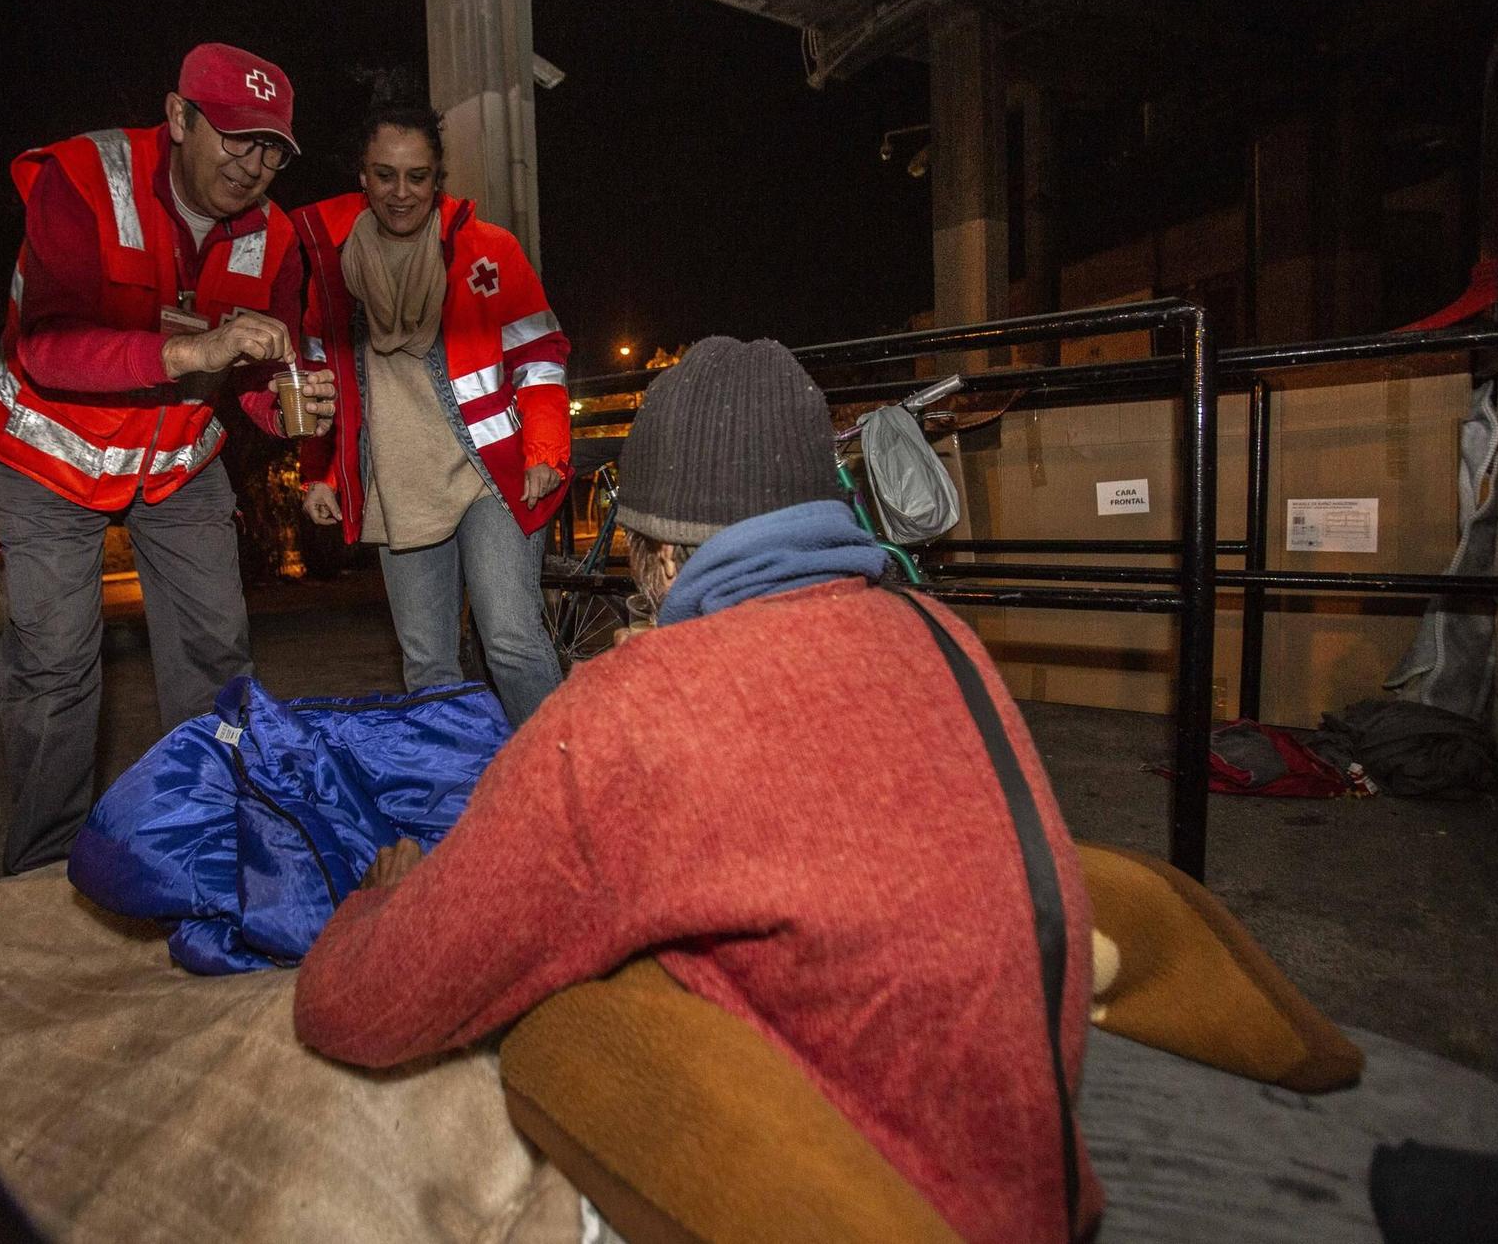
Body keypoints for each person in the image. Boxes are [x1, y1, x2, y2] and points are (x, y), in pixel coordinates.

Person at [294, 338, 1102, 1244]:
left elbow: (362, 1005)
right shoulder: (940, 629)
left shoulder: (637, 711)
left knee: (555, 1015)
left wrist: (377, 906)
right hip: (1041, 1180)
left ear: (664, 565)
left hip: (882, 1206)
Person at [0, 43, 336, 874]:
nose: (255, 163)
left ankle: (211, 841)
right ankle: (41, 869)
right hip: (50, 455)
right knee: (56, 667)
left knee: (217, 650)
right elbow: (47, 349)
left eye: (273, 145)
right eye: (236, 136)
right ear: (178, 117)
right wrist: (191, 353)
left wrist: (278, 407)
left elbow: (250, 381)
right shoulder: (84, 179)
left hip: (173, 459)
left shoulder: (275, 236)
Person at [291, 107, 568, 727]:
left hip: (491, 476)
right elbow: (319, 386)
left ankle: (559, 778)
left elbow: (540, 356)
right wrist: (319, 473)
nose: (400, 193)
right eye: (385, 175)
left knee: (511, 641)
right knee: (428, 666)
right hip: (400, 487)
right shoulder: (333, 271)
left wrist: (545, 451)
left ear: (438, 178)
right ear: (362, 176)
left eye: (417, 177)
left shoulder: (488, 251)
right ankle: (458, 802)